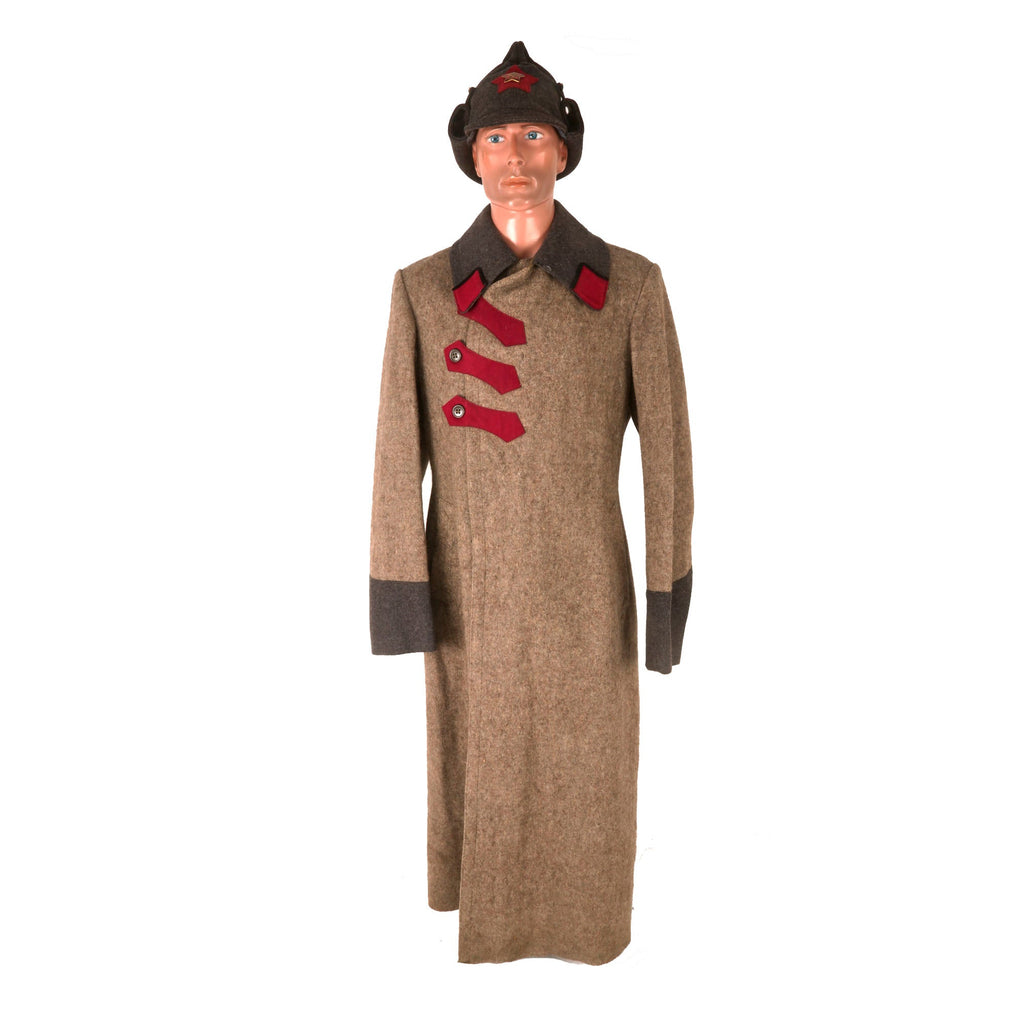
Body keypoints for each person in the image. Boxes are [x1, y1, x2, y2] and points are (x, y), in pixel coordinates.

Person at [369, 41, 694, 965]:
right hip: (467, 596)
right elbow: (396, 456)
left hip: (587, 596)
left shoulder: (631, 288)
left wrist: (664, 607)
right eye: (496, 137)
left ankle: (585, 930)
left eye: (533, 135)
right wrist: (401, 602)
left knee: (589, 774)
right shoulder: (423, 292)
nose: (515, 155)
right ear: (470, 154)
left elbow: (669, 458)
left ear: (565, 149)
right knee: (482, 769)